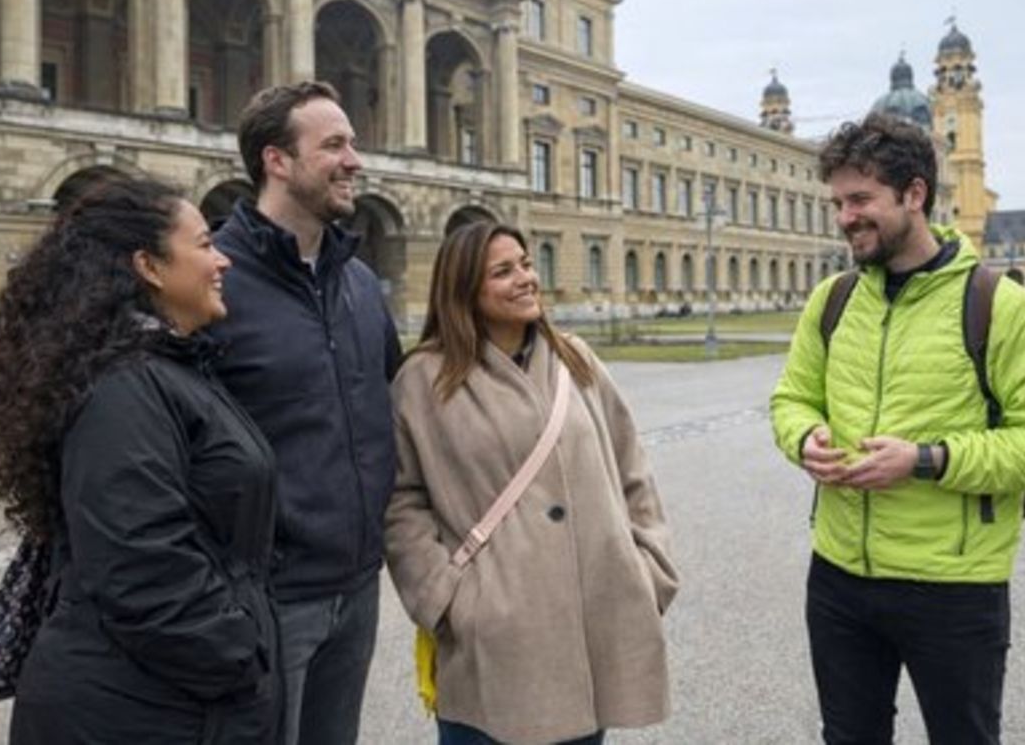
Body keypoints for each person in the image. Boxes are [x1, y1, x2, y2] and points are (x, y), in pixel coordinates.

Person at [769, 113, 1025, 745]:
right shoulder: (831, 300)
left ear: (914, 194)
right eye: (837, 202)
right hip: (839, 578)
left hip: (954, 587)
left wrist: (926, 459)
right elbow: (790, 399)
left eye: (860, 199)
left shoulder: (1001, 305)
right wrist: (804, 439)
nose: (844, 217)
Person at [0, 178, 278, 743]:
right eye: (206, 244)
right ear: (150, 267)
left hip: (155, 697)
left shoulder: (160, 367)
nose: (224, 260)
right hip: (141, 708)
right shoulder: (126, 385)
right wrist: (242, 655)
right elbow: (141, 566)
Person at [386, 221, 678, 745]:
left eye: (524, 263)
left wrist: (648, 565)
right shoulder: (424, 379)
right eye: (503, 271)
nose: (525, 278)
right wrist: (447, 600)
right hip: (494, 642)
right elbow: (402, 501)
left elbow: (631, 464)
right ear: (463, 290)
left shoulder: (575, 359)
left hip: (593, 627)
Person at [209, 81, 401, 745]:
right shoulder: (212, 282)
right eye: (335, 145)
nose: (356, 159)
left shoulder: (358, 282)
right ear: (277, 160)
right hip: (266, 597)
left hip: (357, 585)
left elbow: (394, 407)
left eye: (353, 142)